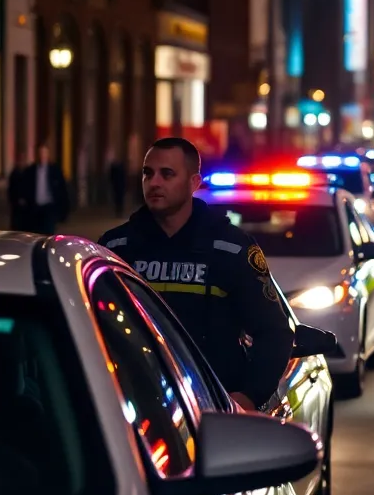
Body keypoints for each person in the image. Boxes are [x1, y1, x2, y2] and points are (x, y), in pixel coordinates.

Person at [97, 137, 293, 411]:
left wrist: (246, 399)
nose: (154, 183)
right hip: (132, 407)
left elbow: (273, 333)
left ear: (194, 182)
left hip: (211, 410)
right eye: (147, 173)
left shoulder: (231, 249)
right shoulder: (116, 248)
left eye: (167, 174)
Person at [12, 144, 70, 234]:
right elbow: (24, 188)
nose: (42, 156)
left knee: (48, 233)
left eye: (44, 153)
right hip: (35, 208)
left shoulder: (55, 170)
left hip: (49, 208)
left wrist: (63, 212)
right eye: (40, 153)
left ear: (48, 154)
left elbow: (62, 191)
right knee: (36, 234)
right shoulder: (30, 171)